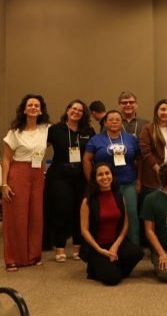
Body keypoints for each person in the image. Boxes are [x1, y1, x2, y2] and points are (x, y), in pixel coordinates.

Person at [2, 94, 50, 272]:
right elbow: (6, 159)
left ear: (41, 110)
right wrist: (4, 184)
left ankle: (33, 255)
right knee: (16, 216)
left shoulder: (46, 129)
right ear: (24, 109)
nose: (33, 107)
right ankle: (13, 258)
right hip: (18, 172)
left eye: (37, 105)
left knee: (36, 216)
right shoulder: (15, 132)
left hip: (37, 174)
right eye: (30, 105)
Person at [46, 99, 95, 262]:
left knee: (79, 211)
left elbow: (93, 152)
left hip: (81, 175)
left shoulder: (88, 130)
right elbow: (39, 147)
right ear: (67, 110)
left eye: (80, 110)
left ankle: (77, 246)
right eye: (74, 109)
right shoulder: (55, 129)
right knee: (62, 210)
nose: (76, 112)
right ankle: (59, 246)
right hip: (60, 175)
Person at [79, 163, 143, 285]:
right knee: (113, 279)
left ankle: (111, 264)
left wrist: (116, 246)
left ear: (112, 175)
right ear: (94, 179)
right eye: (100, 175)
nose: (105, 177)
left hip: (115, 243)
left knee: (137, 253)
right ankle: (96, 267)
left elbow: (125, 225)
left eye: (107, 173)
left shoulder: (119, 196)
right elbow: (84, 230)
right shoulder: (88, 201)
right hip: (97, 247)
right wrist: (99, 249)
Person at [83, 110, 141, 245]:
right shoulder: (96, 139)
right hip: (105, 186)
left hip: (128, 183)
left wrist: (139, 179)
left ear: (121, 123)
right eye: (111, 119)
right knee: (109, 217)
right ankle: (108, 247)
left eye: (117, 119)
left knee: (131, 215)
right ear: (105, 123)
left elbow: (140, 160)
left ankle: (134, 246)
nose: (114, 122)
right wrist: (91, 180)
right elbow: (86, 159)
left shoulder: (131, 139)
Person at [139, 99, 167, 209]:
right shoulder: (148, 128)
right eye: (162, 109)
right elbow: (145, 151)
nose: (166, 112)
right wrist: (158, 169)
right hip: (153, 175)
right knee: (155, 207)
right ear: (156, 111)